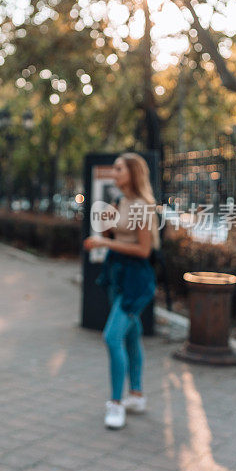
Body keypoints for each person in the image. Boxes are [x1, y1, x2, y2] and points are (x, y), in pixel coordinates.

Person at [83, 152, 159, 430]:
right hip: (117, 274)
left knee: (112, 337)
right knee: (132, 335)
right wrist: (104, 230)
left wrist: (106, 244)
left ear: (132, 173)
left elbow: (143, 250)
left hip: (136, 280)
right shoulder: (121, 202)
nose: (113, 173)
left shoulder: (142, 205)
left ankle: (116, 403)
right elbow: (109, 236)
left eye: (118, 169)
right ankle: (136, 394)